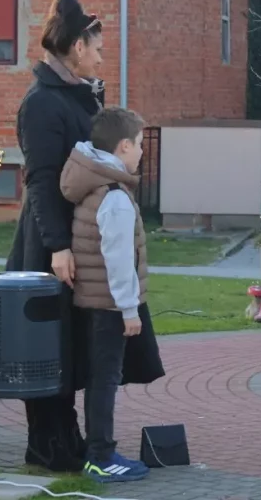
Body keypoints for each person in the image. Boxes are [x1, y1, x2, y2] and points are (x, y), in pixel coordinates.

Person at [8, 0, 163, 472]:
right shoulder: (42, 103)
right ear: (77, 46)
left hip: (81, 238)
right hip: (53, 244)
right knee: (50, 348)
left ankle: (73, 441)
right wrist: (56, 246)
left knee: (74, 347)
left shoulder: (74, 94)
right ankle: (50, 445)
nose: (100, 57)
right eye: (96, 48)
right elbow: (40, 180)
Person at [59, 107, 154, 484]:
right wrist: (129, 309)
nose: (142, 152)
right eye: (140, 144)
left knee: (100, 378)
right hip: (109, 305)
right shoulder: (114, 195)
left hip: (92, 301)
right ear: (124, 146)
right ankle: (100, 457)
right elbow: (118, 259)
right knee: (104, 381)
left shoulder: (95, 184)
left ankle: (100, 452)